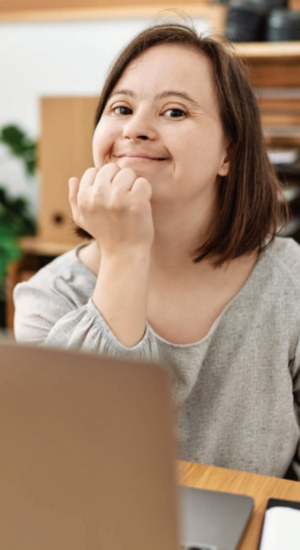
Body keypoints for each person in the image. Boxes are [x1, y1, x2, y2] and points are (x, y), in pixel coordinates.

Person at [14, 22, 300, 480]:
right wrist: (126, 254)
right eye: (121, 107)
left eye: (173, 112)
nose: (136, 129)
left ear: (229, 151)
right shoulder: (49, 297)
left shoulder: (290, 279)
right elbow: (79, 467)